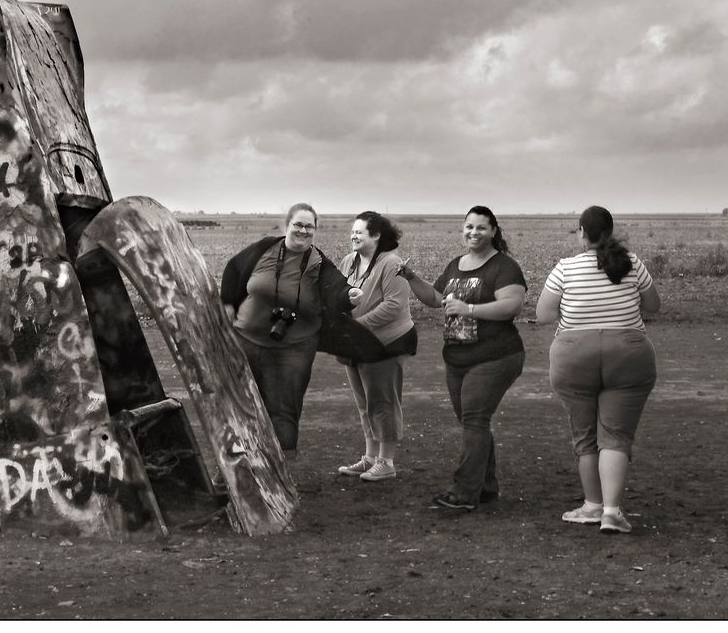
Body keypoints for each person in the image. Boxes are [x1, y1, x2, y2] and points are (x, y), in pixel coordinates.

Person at [535, 205, 660, 534]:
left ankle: (591, 505)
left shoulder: (565, 268)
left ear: (581, 232)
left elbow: (544, 315)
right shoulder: (632, 263)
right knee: (615, 437)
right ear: (611, 230)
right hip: (629, 355)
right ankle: (611, 512)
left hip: (574, 356)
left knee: (586, 437)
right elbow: (653, 305)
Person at [398, 206, 526, 509]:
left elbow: (512, 305)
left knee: (474, 419)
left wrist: (469, 309)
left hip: (496, 355)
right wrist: (410, 276)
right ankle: (486, 487)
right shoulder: (457, 264)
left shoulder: (504, 267)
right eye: (469, 226)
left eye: (481, 227)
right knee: (472, 422)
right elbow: (434, 298)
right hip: (457, 357)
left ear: (493, 231)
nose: (473, 232)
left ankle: (465, 493)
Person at [221, 203, 364, 458]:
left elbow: (336, 289)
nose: (303, 230)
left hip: (294, 348)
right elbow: (234, 269)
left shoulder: (318, 262)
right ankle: (232, 470)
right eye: (298, 224)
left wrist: (349, 296)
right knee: (238, 404)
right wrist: (228, 304)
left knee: (284, 409)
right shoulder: (265, 248)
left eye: (310, 226)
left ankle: (278, 475)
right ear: (286, 225)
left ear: (315, 231)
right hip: (246, 340)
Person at [336, 212, 417, 482]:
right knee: (364, 403)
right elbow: (336, 294)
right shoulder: (348, 262)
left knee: (382, 402)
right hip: (355, 344)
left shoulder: (391, 263)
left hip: (386, 343)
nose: (354, 236)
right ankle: (370, 458)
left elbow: (394, 306)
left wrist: (356, 325)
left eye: (360, 232)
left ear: (377, 235)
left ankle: (387, 462)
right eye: (353, 232)